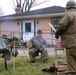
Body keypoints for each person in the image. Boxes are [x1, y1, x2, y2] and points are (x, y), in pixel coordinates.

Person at [55, 0, 76, 75]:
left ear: (67, 7)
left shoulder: (69, 15)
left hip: (71, 44)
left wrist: (57, 33)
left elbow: (62, 25)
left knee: (72, 67)